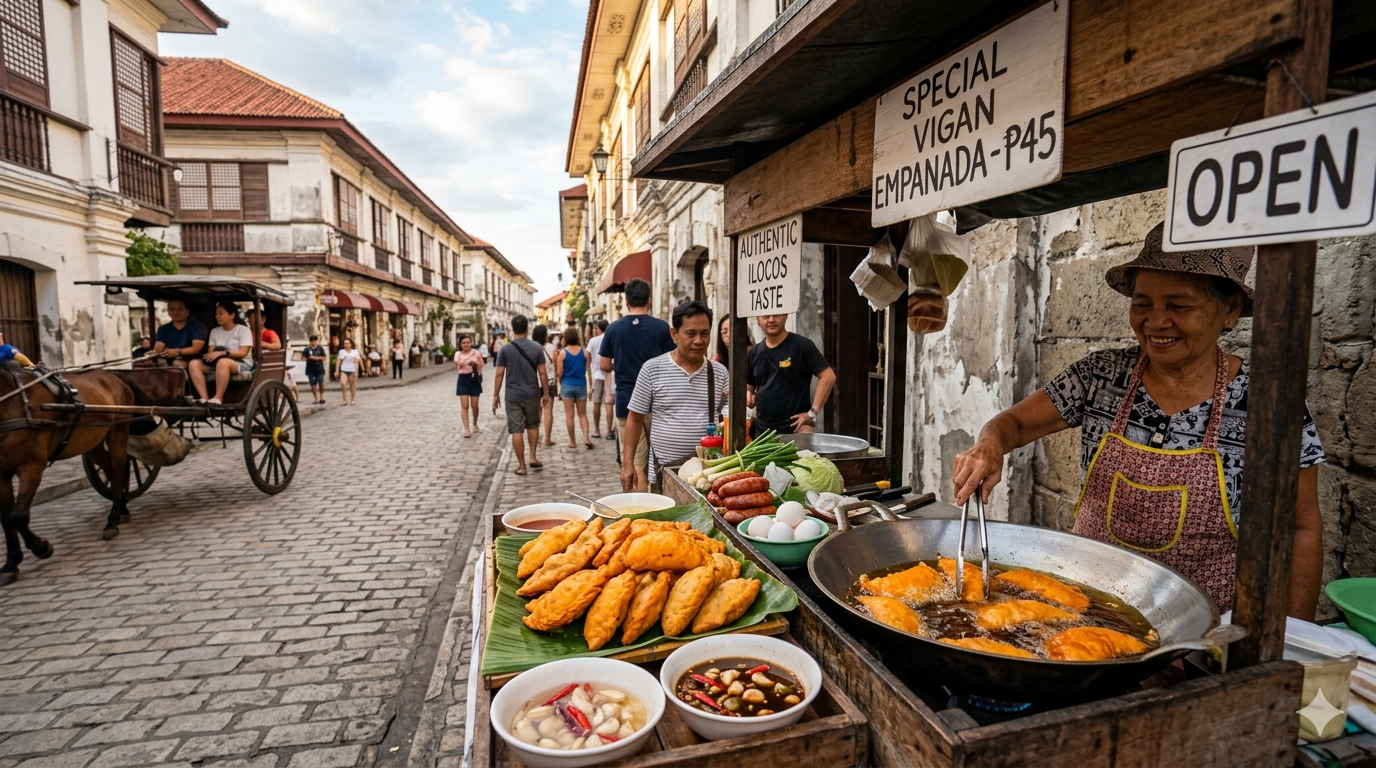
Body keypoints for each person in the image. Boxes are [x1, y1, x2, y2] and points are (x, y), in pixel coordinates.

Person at [951, 222, 1324, 617]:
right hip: (1086, 608)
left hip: (1202, 635)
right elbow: (1015, 423)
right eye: (1143, 303)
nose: (1156, 321)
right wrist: (989, 445)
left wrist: (1296, 639)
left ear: (1229, 310)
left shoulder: (1268, 402)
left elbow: (1302, 527)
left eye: (1179, 306)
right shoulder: (1101, 376)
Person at [621, 301, 728, 491]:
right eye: (690, 334)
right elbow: (635, 419)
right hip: (665, 471)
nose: (698, 341)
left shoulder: (719, 373)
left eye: (704, 334)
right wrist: (628, 463)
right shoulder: (652, 369)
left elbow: (729, 421)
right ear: (674, 334)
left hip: (708, 474)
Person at [599, 278, 675, 490]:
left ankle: (644, 506)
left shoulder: (614, 329)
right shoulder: (662, 328)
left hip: (627, 402)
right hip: (658, 403)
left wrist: (621, 365)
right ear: (649, 301)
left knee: (635, 462)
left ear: (626, 301)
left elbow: (604, 364)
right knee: (661, 458)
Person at [746, 314, 836, 437]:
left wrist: (812, 413)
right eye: (766, 316)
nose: (771, 320)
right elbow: (749, 386)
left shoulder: (802, 346)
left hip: (797, 430)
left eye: (776, 315)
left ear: (785, 316)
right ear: (758, 320)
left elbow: (828, 377)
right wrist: (749, 395)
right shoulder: (753, 353)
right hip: (762, 432)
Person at [492, 315, 551, 476]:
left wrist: (495, 395)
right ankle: (533, 457)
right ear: (527, 329)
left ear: (512, 329)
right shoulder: (536, 347)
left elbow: (499, 374)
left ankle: (521, 466)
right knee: (533, 425)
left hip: (512, 396)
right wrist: (545, 393)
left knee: (516, 430)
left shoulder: (505, 349)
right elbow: (543, 372)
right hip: (532, 393)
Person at [189, 300, 253, 405]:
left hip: (241, 363)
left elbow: (243, 353)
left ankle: (218, 398)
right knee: (194, 364)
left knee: (223, 362)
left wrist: (222, 353)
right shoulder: (215, 331)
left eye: (221, 313)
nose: (217, 316)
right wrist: (212, 353)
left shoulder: (243, 330)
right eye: (216, 314)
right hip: (217, 363)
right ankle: (204, 398)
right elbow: (211, 350)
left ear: (232, 315)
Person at [555, 327, 594, 450]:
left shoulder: (562, 353)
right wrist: (590, 387)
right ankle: (586, 438)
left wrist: (559, 385)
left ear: (565, 338)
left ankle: (572, 442)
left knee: (569, 416)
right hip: (581, 384)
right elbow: (588, 371)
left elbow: (559, 373)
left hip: (567, 385)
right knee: (583, 414)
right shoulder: (585, 352)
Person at [151, 299, 209, 367]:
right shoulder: (163, 329)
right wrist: (153, 353)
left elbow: (196, 348)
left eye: (180, 309)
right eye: (172, 309)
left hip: (193, 361)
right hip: (170, 361)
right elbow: (158, 348)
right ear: (168, 312)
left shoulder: (199, 327)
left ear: (187, 312)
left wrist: (178, 352)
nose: (176, 312)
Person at [585, 319, 614, 439]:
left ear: (598, 328)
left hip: (597, 374)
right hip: (609, 374)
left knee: (596, 402)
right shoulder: (611, 339)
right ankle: (608, 431)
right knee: (609, 403)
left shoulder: (593, 341)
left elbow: (587, 357)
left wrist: (589, 375)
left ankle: (597, 430)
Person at [454, 334, 484, 437]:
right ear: (460, 344)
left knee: (474, 406)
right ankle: (466, 429)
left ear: (471, 343)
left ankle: (475, 423)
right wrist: (465, 363)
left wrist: (475, 364)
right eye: (463, 343)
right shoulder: (458, 354)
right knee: (464, 405)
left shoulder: (476, 353)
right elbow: (457, 363)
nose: (466, 344)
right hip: (463, 379)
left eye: (468, 342)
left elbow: (482, 364)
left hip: (474, 379)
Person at [532, 324, 557, 447]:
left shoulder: (531, 348)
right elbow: (556, 368)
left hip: (535, 381)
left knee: (537, 411)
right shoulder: (552, 348)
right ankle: (547, 438)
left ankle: (535, 437)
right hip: (550, 380)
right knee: (548, 411)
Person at [336, 338, 362, 405]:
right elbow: (339, 361)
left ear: (351, 344)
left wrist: (356, 361)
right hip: (344, 369)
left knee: (352, 385)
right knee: (343, 384)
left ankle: (352, 399)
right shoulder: (341, 351)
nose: (346, 345)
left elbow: (358, 359)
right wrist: (337, 371)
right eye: (345, 344)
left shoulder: (355, 352)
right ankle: (345, 400)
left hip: (352, 370)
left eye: (348, 343)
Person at [304, 335, 328, 404]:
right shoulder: (307, 349)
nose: (313, 342)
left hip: (319, 368)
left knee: (321, 382)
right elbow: (303, 357)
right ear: (310, 341)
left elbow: (324, 357)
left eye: (314, 341)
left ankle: (322, 397)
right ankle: (315, 398)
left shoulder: (320, 348)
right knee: (313, 384)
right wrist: (309, 358)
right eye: (312, 341)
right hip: (310, 369)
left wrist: (317, 358)